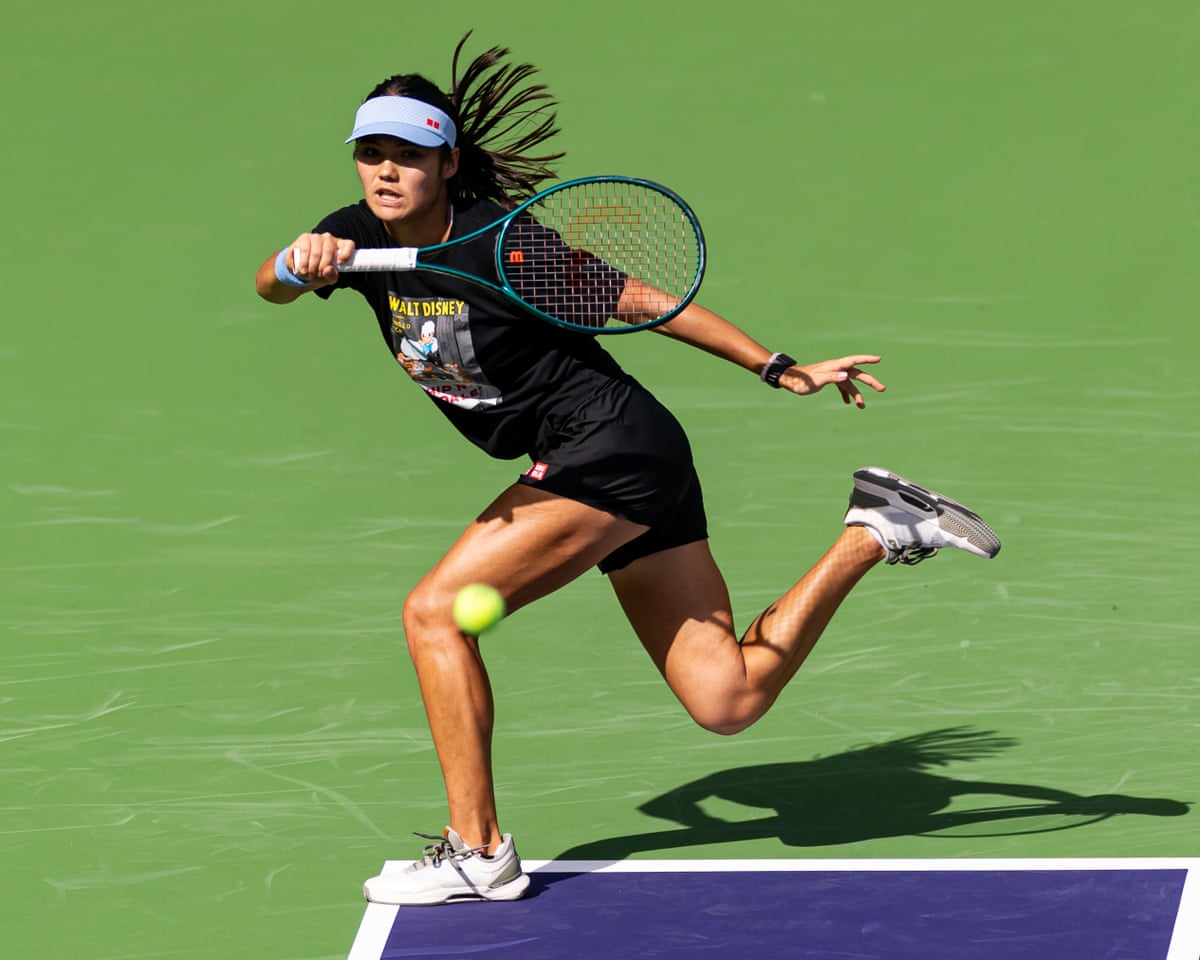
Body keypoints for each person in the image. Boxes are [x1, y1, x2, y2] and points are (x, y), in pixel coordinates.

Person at [254, 34, 1001, 907]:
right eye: (370, 153)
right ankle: (876, 527)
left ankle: (477, 848)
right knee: (726, 698)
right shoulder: (353, 235)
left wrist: (775, 364)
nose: (385, 171)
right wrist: (295, 263)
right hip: (629, 457)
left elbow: (638, 302)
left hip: (605, 450)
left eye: (409, 156)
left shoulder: (505, 247)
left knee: (434, 616)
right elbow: (269, 286)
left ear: (448, 164)